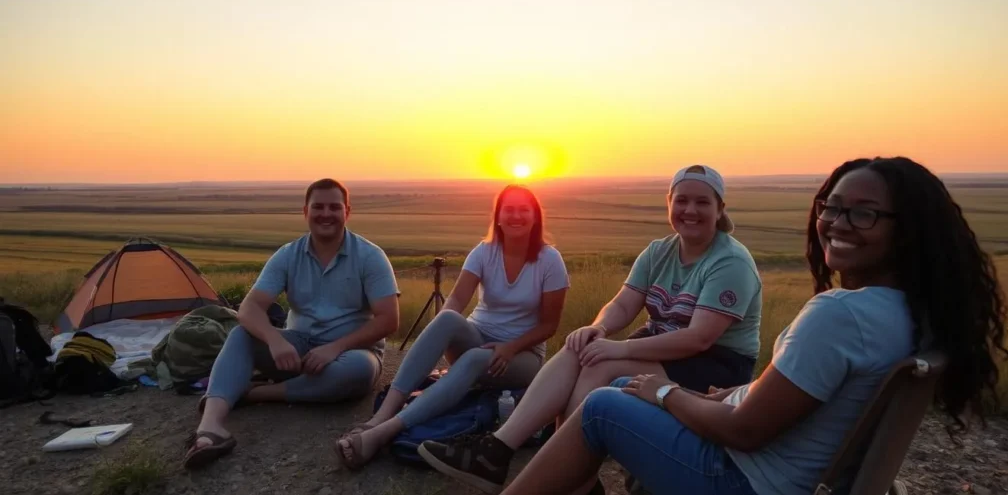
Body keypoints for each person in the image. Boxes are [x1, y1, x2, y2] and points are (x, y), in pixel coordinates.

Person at [494, 156, 1008, 495]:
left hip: (744, 481)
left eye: (864, 214)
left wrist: (665, 396)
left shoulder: (840, 314)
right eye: (830, 207)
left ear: (908, 231)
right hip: (789, 471)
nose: (834, 223)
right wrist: (737, 393)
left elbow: (745, 431)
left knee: (606, 406)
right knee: (621, 383)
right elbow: (794, 398)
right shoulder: (909, 313)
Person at [420, 164, 763, 494]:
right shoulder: (660, 251)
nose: (690, 210)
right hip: (662, 346)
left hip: (716, 362)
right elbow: (624, 304)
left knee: (603, 363)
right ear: (669, 203)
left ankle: (567, 477)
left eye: (702, 202)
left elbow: (699, 337)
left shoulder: (729, 261)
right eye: (682, 200)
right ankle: (497, 450)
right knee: (579, 348)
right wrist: (597, 329)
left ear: (720, 209)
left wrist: (620, 348)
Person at [333, 184, 570, 470]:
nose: (516, 216)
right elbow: (457, 298)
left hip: (522, 355)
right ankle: (378, 418)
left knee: (473, 358)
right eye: (509, 209)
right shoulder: (484, 252)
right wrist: (443, 333)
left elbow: (549, 325)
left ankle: (385, 432)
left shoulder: (549, 260)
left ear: (535, 217)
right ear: (498, 216)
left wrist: (510, 347)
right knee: (446, 318)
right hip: (476, 338)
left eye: (524, 210)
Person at [183, 178, 401, 469]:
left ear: (347, 211)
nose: (326, 214)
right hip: (297, 346)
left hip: (353, 352)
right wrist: (275, 340)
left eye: (334, 207)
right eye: (318, 207)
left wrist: (335, 348)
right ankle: (211, 428)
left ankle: (256, 393)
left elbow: (389, 319)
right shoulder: (288, 255)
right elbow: (249, 308)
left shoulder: (370, 256)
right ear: (305, 211)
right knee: (240, 336)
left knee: (358, 371)